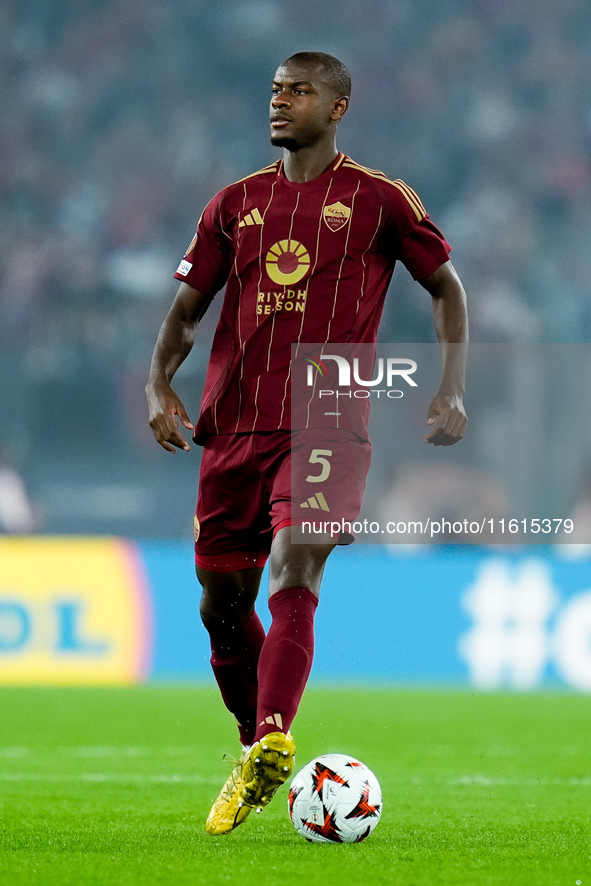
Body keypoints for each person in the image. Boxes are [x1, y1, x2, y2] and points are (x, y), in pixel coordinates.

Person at [146, 51, 468, 836]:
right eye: (274, 91)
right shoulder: (233, 204)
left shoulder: (379, 200)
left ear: (339, 106)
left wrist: (451, 385)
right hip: (232, 426)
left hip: (326, 419)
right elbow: (188, 310)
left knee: (298, 561)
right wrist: (160, 383)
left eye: (298, 91)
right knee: (221, 604)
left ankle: (274, 736)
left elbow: (446, 288)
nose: (280, 101)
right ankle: (254, 746)